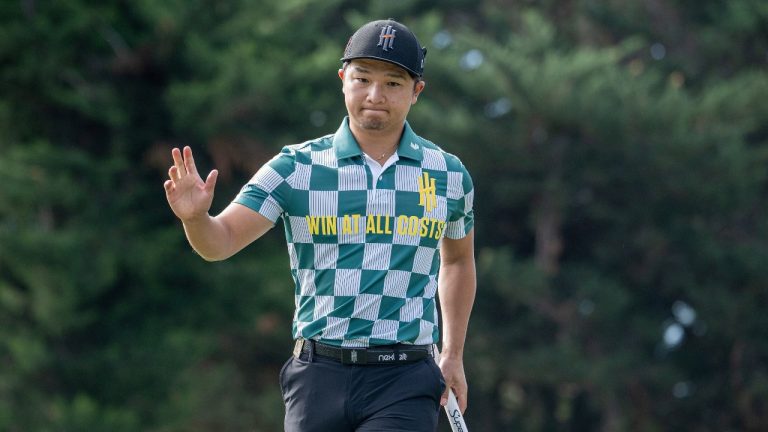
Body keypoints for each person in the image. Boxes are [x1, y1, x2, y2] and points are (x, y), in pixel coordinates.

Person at [164, 18, 476, 432]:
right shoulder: (296, 167)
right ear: (342, 78)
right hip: (317, 375)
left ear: (416, 91)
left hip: (405, 376)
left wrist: (452, 354)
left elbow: (457, 262)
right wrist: (195, 218)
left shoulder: (448, 175)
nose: (375, 95)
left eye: (393, 83)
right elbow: (219, 242)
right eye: (362, 78)